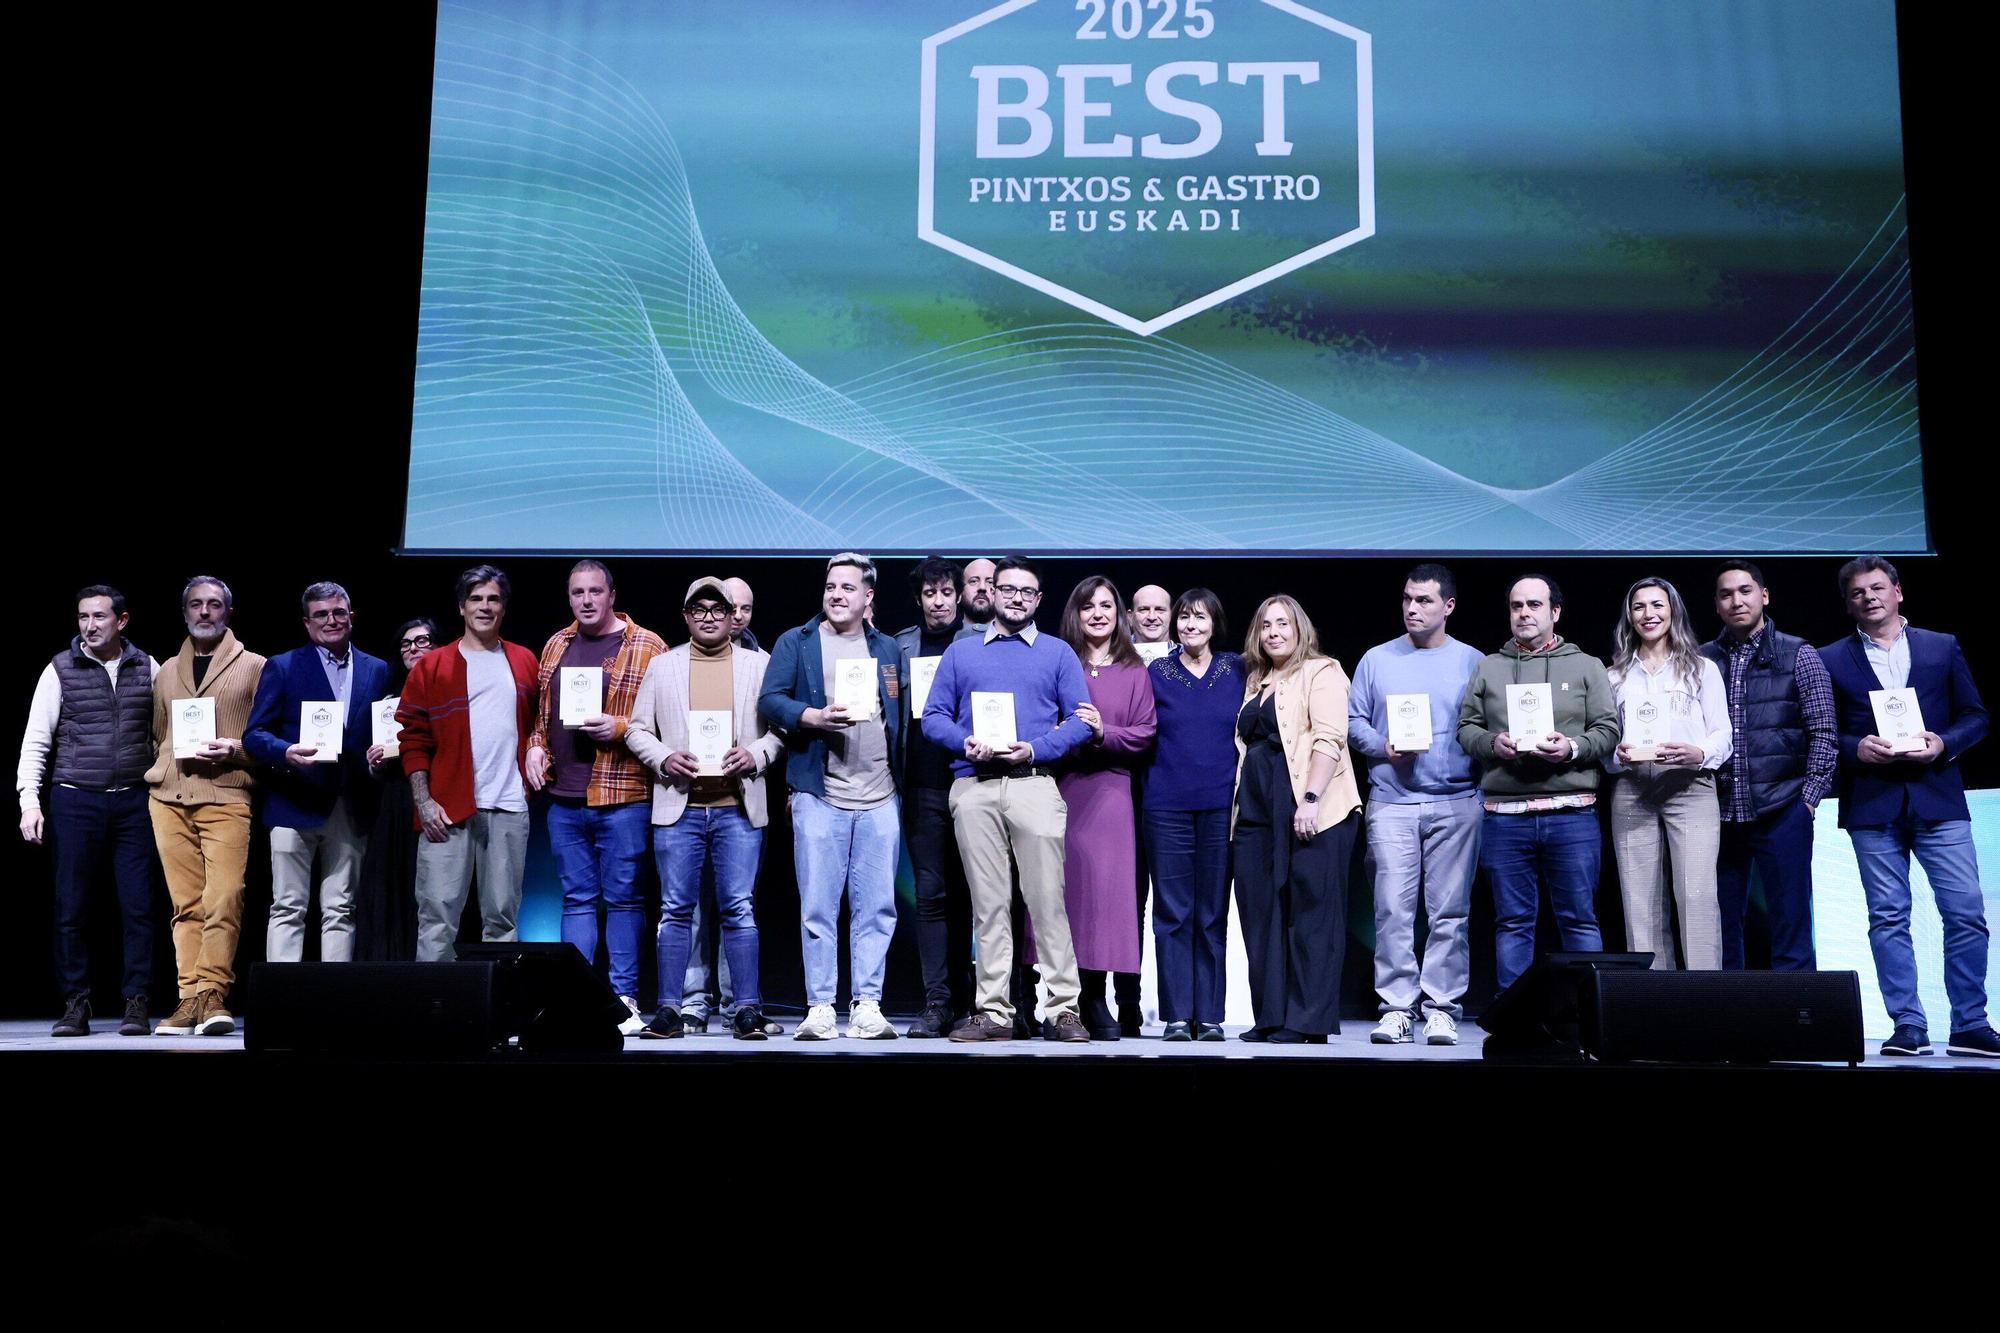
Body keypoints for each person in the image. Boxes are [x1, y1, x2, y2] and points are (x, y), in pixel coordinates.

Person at [1820, 556, 1998, 1058]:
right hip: (1873, 803)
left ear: (1899, 591)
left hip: (1937, 796)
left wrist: (1943, 742)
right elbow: (1823, 732)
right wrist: (1855, 747)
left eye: (1878, 588)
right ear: (1848, 604)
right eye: (1857, 593)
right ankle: (1908, 1024)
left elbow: (1976, 716)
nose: (1869, 598)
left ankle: (1969, 1022)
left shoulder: (1941, 647)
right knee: (1888, 917)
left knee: (1965, 913)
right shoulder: (1830, 658)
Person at [922, 555, 1096, 1041]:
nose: (1016, 598)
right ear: (992, 593)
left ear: (1038, 600)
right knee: (989, 905)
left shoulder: (1058, 653)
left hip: (1034, 783)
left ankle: (1063, 1009)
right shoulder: (961, 652)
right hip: (974, 787)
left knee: (1047, 902)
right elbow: (933, 716)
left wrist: (1036, 747)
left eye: (1026, 591)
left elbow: (1083, 720)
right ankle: (994, 1012)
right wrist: (964, 742)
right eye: (1008, 589)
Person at [627, 577, 784, 1040]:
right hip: (681, 807)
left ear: (732, 615)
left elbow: (781, 730)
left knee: (739, 908)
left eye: (719, 609)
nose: (710, 616)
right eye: (700, 609)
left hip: (737, 807)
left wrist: (756, 755)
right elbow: (637, 730)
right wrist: (664, 757)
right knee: (675, 909)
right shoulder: (663, 666)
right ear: (686, 616)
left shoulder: (760, 665)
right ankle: (671, 1010)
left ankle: (747, 1010)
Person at [758, 553, 904, 1040]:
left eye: (847, 587)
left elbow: (899, 716)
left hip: (879, 794)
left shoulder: (887, 647)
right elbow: (770, 699)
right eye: (830, 586)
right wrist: (811, 717)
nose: (836, 595)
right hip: (819, 794)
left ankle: (867, 1003)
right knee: (818, 906)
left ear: (869, 597)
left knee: (878, 907)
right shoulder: (796, 642)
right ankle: (820, 1005)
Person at [1456, 574, 1619, 992]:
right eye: (1516, 606)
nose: (1524, 613)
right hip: (1505, 818)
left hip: (1572, 814)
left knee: (1580, 920)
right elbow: (1466, 730)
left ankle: (1586, 1021)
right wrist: (1494, 743)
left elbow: (1608, 730)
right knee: (1512, 924)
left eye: (1534, 605)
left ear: (1555, 612)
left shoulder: (1586, 666)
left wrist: (1572, 748)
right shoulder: (1489, 667)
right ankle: (1517, 1028)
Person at [524, 560, 667, 1035]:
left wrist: (621, 728)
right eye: (577, 592)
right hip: (564, 796)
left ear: (611, 595)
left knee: (624, 900)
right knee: (577, 899)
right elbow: (541, 718)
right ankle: (578, 997)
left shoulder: (647, 646)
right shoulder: (557, 644)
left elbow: (667, 720)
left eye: (595, 591)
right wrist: (535, 749)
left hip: (622, 792)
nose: (586, 601)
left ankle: (622, 999)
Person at [1346, 564, 1484, 1046]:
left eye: (1424, 600)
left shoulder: (1473, 661)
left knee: (1450, 912)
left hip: (1457, 800)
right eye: (1407, 598)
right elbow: (1352, 720)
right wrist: (1384, 746)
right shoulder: (1377, 659)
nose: (1412, 608)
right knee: (1391, 909)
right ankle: (1397, 1007)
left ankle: (1442, 1008)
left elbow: (1485, 726)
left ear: (1448, 606)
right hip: (1392, 802)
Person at [18, 585, 161, 1037]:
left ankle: (136, 1002)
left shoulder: (148, 667)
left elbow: (166, 733)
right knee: (72, 907)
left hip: (134, 799)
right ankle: (76, 1003)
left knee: (138, 906)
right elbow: (37, 739)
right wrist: (28, 801)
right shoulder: (60, 668)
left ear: (122, 621)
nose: (90, 625)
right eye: (83, 617)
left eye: (100, 617)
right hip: (75, 797)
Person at [1232, 594, 1362, 1043]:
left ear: (1299, 628)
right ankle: (1270, 1015)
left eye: (1283, 623)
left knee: (1312, 914)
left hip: (1313, 807)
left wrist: (1310, 798)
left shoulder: (1321, 671)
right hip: (1255, 811)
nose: (1274, 632)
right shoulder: (1255, 679)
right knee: (1261, 911)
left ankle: (1307, 1022)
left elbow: (1330, 738)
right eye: (1266, 624)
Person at [244, 582, 394, 966]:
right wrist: (286, 752)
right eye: (322, 615)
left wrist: (381, 758)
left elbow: (382, 731)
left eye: (339, 612)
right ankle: (281, 1001)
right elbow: (255, 735)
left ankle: (334, 1001)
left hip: (349, 802)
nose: (332, 620)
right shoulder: (284, 665)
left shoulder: (377, 669)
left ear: (351, 617)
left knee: (340, 909)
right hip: (293, 801)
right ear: (308, 624)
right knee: (288, 907)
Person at [396, 565, 539, 962]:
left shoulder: (524, 660)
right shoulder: (433, 665)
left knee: (503, 920)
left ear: (504, 607)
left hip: (508, 806)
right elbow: (412, 739)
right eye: (476, 599)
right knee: (437, 917)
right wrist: (424, 803)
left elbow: (538, 725)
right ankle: (435, 1012)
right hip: (447, 810)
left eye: (493, 599)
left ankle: (500, 1017)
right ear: (461, 607)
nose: (485, 606)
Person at [1700, 562, 1836, 971]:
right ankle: (1730, 1019)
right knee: (1720, 925)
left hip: (1783, 808)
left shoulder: (1799, 653)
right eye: (1726, 594)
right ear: (1717, 605)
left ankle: (1799, 1019)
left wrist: (1807, 801)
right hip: (1718, 812)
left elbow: (1824, 732)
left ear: (1765, 595)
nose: (1736, 600)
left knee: (1791, 920)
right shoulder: (1701, 661)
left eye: (1745, 591)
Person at [146, 576, 266, 1036]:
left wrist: (236, 749)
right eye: (196, 605)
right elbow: (158, 734)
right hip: (168, 797)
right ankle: (188, 997)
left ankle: (214, 992)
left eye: (214, 605)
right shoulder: (165, 671)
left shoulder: (255, 665)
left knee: (225, 895)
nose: (204, 612)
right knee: (185, 903)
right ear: (184, 612)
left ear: (228, 613)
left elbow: (266, 736)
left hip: (227, 793)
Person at [1604, 578, 1731, 970]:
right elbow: (1606, 741)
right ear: (1630, 615)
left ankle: (1705, 1000)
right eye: (1639, 606)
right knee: (1639, 901)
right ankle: (1654, 1002)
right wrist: (1616, 755)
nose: (1649, 614)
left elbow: (1723, 733)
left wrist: (1699, 753)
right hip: (1633, 788)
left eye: (1657, 605)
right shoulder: (1614, 676)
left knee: (1696, 896)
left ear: (1672, 610)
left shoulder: (1701, 669)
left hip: (1690, 785)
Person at [1056, 576, 1157, 1039]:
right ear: (1074, 614)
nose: (1097, 614)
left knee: (1108, 900)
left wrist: (1103, 733)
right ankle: (1065, 1004)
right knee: (1064, 897)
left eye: (1106, 606)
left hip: (1113, 793)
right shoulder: (1060, 661)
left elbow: (1144, 732)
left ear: (1120, 615)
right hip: (1063, 788)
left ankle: (1099, 1001)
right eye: (1087, 606)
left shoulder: (1135, 669)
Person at [1143, 588, 1239, 1041]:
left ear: (1214, 624)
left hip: (1221, 806)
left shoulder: (1237, 669)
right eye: (1183, 618)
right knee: (1173, 914)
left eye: (1200, 618)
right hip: (1167, 807)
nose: (1190, 626)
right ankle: (1178, 1015)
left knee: (1211, 913)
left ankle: (1212, 1016)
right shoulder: (1156, 671)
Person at [894, 555, 981, 1037]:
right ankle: (937, 1001)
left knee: (973, 895)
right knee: (931, 896)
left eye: (947, 592)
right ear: (919, 598)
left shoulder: (979, 643)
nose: (940, 601)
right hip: (922, 786)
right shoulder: (901, 645)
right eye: (930, 594)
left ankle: (974, 1002)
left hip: (971, 782)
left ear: (959, 595)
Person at [355, 617, 437, 960]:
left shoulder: (449, 690)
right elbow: (375, 766)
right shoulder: (388, 698)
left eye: (422, 641)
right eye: (406, 643)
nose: (413, 648)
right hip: (394, 801)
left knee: (431, 892)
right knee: (390, 888)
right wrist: (373, 762)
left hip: (435, 798)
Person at [724, 576, 760, 653]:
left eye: (746, 609)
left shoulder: (764, 660)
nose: (738, 616)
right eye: (732, 608)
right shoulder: (693, 656)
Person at [961, 558, 998, 627]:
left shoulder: (1013, 636)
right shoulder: (949, 637)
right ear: (961, 590)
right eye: (973, 581)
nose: (982, 587)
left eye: (990, 582)